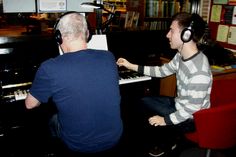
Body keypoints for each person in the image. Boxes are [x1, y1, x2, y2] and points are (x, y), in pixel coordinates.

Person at [25, 12, 123, 156]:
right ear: (88, 33)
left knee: (52, 119)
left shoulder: (50, 67)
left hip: (78, 144)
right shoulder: (108, 57)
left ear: (58, 36)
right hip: (114, 137)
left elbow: (30, 104)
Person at [116, 12, 213, 156]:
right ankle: (167, 138)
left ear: (186, 35)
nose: (167, 35)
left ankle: (166, 143)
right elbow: (162, 71)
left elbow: (192, 109)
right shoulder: (181, 55)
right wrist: (131, 66)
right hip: (180, 105)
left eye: (172, 30)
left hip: (191, 119)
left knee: (147, 111)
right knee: (142, 101)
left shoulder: (199, 71)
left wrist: (165, 120)